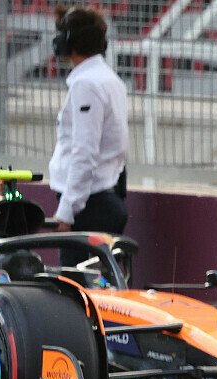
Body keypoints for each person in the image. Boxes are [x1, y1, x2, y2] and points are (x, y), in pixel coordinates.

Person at [49, 5, 128, 266]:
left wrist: (67, 212)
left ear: (69, 41)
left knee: (75, 295)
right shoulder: (107, 79)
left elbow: (84, 153)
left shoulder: (87, 84)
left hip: (88, 209)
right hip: (103, 200)